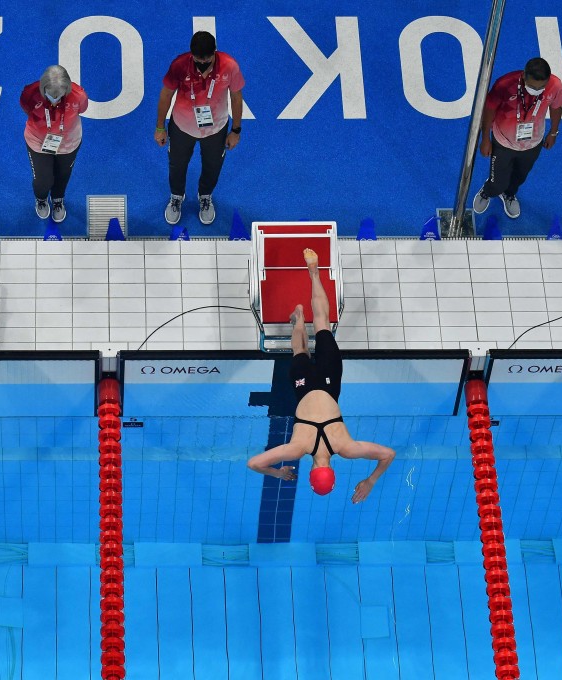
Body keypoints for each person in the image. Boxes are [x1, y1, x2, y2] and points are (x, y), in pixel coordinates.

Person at [247, 249, 395, 502]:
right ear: (312, 474)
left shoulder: (346, 448)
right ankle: (298, 317)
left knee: (323, 323)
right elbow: (253, 463)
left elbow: (388, 454)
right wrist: (277, 473)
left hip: (329, 380)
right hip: (304, 386)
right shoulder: (297, 449)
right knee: (299, 350)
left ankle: (314, 273)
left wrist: (370, 481)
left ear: (332, 472)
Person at [154, 31, 244, 226]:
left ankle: (205, 196)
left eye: (207, 59)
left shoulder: (230, 66)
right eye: (197, 59)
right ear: (191, 54)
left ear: (215, 52)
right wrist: (160, 127)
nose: (202, 64)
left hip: (216, 128)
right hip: (181, 127)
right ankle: (176, 196)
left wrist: (236, 130)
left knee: (212, 167)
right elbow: (165, 96)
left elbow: (236, 97)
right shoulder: (179, 65)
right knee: (177, 165)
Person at [473, 57, 562, 220]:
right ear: (524, 76)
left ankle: (509, 195)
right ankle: (488, 191)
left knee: (519, 176)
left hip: (533, 143)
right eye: (532, 86)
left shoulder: (555, 85)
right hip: (503, 141)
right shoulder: (505, 85)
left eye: (541, 87)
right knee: (498, 181)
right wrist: (486, 139)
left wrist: (553, 133)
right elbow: (489, 110)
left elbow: (556, 107)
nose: (537, 90)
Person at [20, 65, 89, 223]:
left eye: (60, 96)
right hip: (38, 142)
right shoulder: (30, 93)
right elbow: (26, 109)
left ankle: (58, 199)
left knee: (63, 175)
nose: (55, 100)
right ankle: (41, 199)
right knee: (43, 179)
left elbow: (82, 110)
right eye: (51, 96)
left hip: (69, 142)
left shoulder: (79, 95)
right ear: (43, 87)